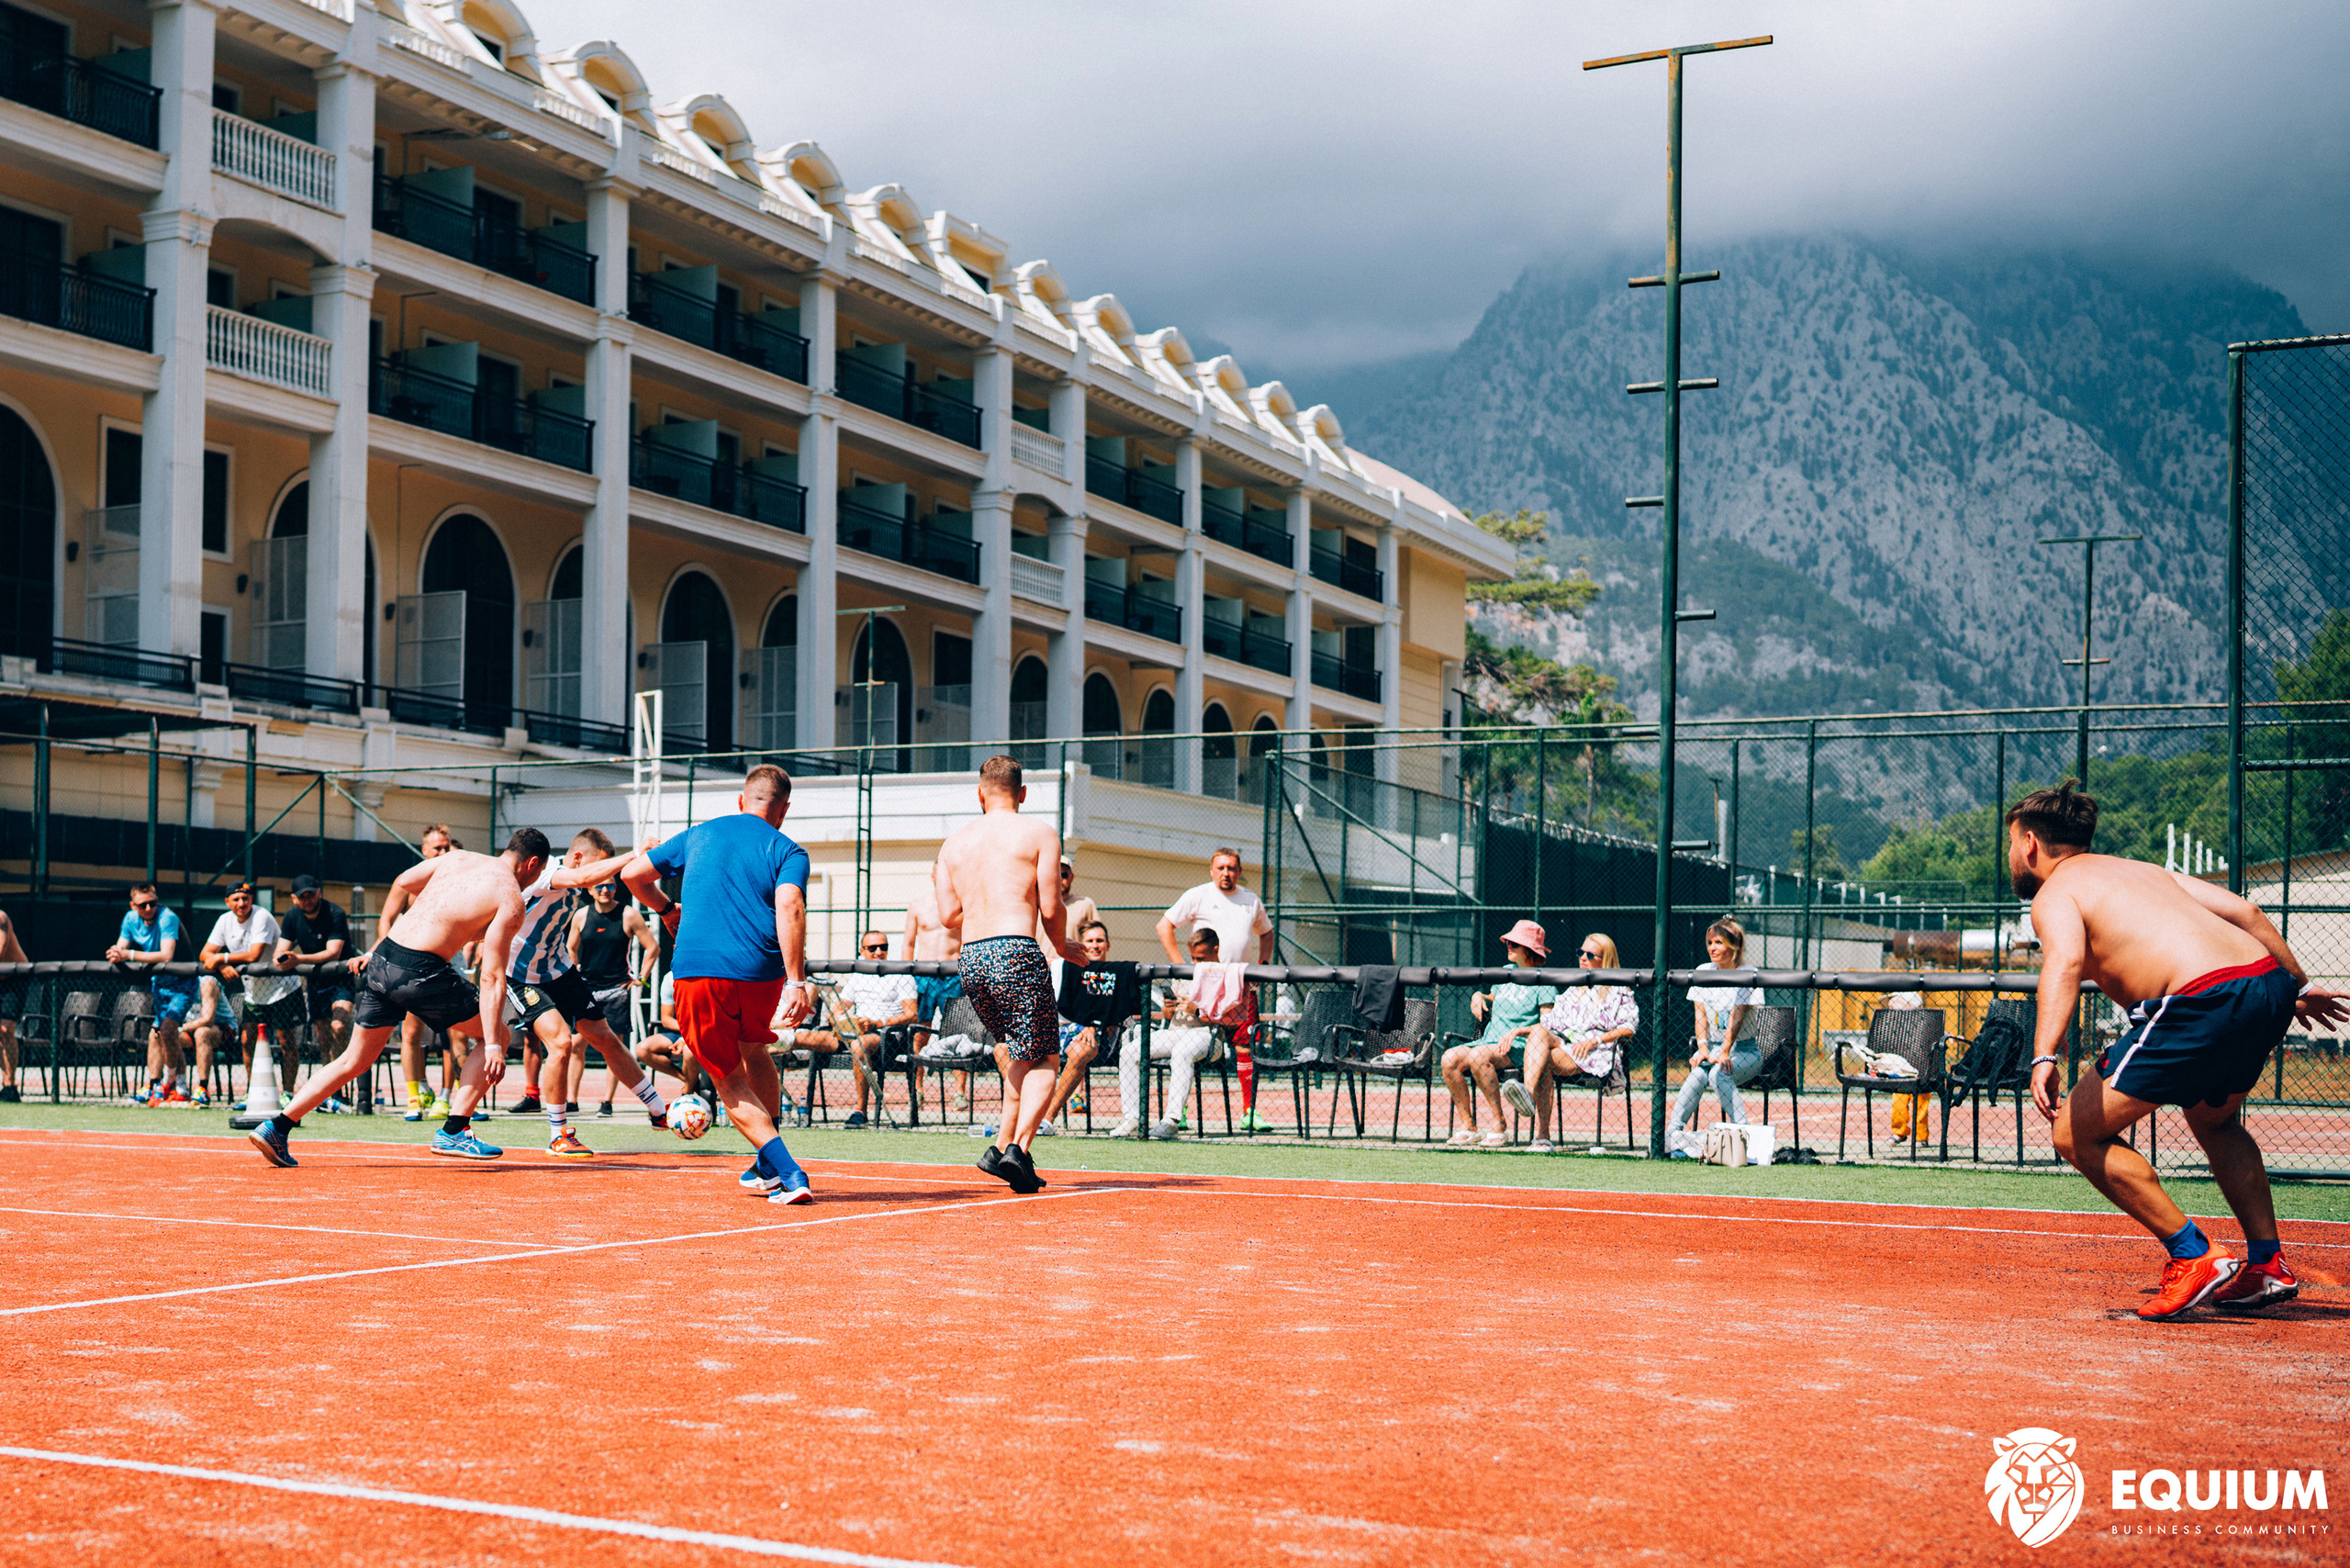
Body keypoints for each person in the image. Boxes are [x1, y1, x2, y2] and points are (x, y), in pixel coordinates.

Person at [2014, 782, 2348, 1319]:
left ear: (2030, 843)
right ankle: (2267, 1265)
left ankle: (2193, 1255)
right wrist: (2299, 987)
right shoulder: (2143, 870)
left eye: (2012, 843)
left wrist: (2044, 1054)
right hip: (2266, 985)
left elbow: (2066, 963)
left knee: (2074, 1133)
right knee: (2214, 1121)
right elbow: (2249, 912)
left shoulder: (2055, 894)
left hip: (2202, 998)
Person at [244, 828, 636, 1168]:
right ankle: (455, 1129)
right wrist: (496, 1043)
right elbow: (493, 975)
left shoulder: (458, 858)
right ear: (533, 864)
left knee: (353, 1059)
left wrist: (389, 926)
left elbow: (402, 881)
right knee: (495, 1034)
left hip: (384, 957)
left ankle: (276, 1127)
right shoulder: (511, 897)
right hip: (421, 969)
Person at [621, 765, 816, 1204]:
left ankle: (790, 1173)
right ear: (783, 810)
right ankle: (767, 1165)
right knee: (754, 1049)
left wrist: (668, 908)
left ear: (742, 801)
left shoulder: (699, 834)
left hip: (700, 970)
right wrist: (797, 981)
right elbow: (790, 905)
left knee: (727, 1080)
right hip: (762, 971)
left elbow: (632, 876)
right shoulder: (790, 850)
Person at [934, 754, 1081, 1194]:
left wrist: (986, 900)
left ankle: (999, 1149)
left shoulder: (953, 844)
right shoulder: (1038, 832)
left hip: (973, 957)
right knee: (1048, 1059)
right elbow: (1052, 907)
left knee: (1020, 1052)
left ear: (980, 793)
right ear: (1022, 793)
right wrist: (1060, 946)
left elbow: (947, 915)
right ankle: (1020, 1148)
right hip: (1015, 949)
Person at [509, 827, 672, 1158]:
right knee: (561, 1043)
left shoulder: (581, 879)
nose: (602, 881)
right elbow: (586, 878)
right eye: (599, 869)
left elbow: (617, 879)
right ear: (579, 859)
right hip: (522, 975)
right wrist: (636, 854)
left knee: (607, 1039)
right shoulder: (549, 874)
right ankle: (558, 1135)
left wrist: (665, 904)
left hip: (559, 969)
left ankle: (658, 1111)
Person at [1157, 848, 1274, 1129]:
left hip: (1240, 988)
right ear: (1211, 870)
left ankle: (1249, 1111)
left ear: (1239, 871)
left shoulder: (1250, 900)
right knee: (1190, 1043)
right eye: (1221, 867)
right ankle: (1179, 1110)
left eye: (1232, 868)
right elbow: (1165, 926)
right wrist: (1183, 969)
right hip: (1204, 989)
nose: (1226, 873)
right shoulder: (1198, 895)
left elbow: (1267, 933)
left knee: (1246, 1046)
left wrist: (1263, 964)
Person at [1504, 931, 1639, 1152]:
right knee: (1539, 1031)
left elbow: (1629, 1027)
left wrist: (1595, 1040)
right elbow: (1550, 1022)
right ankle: (1529, 1097)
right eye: (1580, 952)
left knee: (1544, 1060)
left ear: (1605, 960)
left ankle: (1543, 1134)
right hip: (1567, 1047)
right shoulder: (1574, 988)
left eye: (1589, 954)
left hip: (1599, 1052)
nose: (1582, 958)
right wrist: (1520, 1030)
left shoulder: (1619, 989)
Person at [1113, 927, 1249, 1138]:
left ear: (1216, 950)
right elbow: (1168, 1016)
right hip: (1176, 1032)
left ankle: (1171, 1121)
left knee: (1182, 1051)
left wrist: (1196, 1010)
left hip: (1208, 1035)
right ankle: (1132, 1118)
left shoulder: (1227, 975)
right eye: (1193, 958)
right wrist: (1169, 1006)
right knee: (1129, 1052)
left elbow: (1232, 1020)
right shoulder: (1185, 971)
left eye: (1201, 958)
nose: (1195, 964)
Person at [1439, 920, 1559, 1148]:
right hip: (1489, 1042)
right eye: (1509, 941)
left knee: (1478, 1056)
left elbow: (1547, 1025)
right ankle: (1468, 1125)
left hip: (1520, 1048)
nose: (1508, 945)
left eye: (1515, 943)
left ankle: (1498, 1125)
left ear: (1529, 950)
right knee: (1448, 1060)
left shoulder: (1544, 981)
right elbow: (1492, 998)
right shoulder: (1506, 973)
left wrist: (1517, 1033)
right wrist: (1478, 996)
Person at [203, 881, 300, 1113]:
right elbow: (205, 953)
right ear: (227, 902)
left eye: (245, 898)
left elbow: (255, 955)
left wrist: (222, 959)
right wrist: (221, 965)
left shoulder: (262, 916)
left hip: (283, 988)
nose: (241, 903)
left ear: (251, 899)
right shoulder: (224, 921)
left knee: (286, 1040)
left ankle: (287, 1094)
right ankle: (252, 1092)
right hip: (254, 991)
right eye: (236, 899)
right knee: (247, 1040)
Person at [1669, 918, 1761, 1155]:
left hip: (1746, 1051)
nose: (1712, 947)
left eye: (1718, 942)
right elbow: (1700, 1014)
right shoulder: (1702, 971)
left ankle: (1745, 1137)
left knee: (1720, 1073)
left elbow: (1737, 1018)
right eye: (1709, 942)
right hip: (1714, 1047)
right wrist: (1703, 1048)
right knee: (1698, 1074)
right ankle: (1671, 1135)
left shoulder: (1749, 973)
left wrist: (1725, 1052)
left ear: (1735, 945)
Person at [570, 875, 660, 1115]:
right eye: (599, 886)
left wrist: (640, 978)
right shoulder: (581, 915)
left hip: (616, 990)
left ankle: (606, 1101)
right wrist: (574, 974)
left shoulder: (629, 914)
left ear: (615, 889)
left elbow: (653, 948)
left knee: (614, 1046)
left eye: (610, 886)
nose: (605, 890)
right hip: (586, 988)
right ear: (590, 889)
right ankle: (571, 1100)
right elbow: (570, 947)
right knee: (575, 1044)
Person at [106, 883, 195, 1107]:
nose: (148, 908)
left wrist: (129, 954)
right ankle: (170, 1086)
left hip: (182, 983)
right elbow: (120, 949)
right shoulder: (129, 919)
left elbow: (166, 955)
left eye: (152, 903)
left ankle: (168, 1080)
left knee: (166, 1030)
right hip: (159, 984)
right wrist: (117, 953)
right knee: (159, 1035)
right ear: (133, 906)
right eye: (142, 905)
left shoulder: (168, 918)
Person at [1043, 921, 1137, 1128]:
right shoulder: (1064, 970)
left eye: (1100, 941)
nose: (1095, 945)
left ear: (1108, 945)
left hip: (1099, 1039)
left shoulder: (1117, 974)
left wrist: (1093, 1026)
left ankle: (1047, 1118)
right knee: (1004, 1049)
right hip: (1058, 1031)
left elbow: (1117, 1012)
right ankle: (1019, 1117)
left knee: (1080, 1050)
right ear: (1081, 945)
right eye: (1090, 941)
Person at [399, 824, 462, 1119]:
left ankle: (448, 1097)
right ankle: (417, 1095)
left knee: (455, 1035)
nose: (443, 852)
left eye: (446, 846)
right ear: (424, 850)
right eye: (437, 848)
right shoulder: (408, 882)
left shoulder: (459, 879)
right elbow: (387, 920)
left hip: (449, 965)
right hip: (415, 966)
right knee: (411, 1032)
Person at [274, 875, 353, 1102]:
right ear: (294, 899)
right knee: (324, 1037)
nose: (307, 900)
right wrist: (281, 959)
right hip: (316, 982)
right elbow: (280, 952)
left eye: (311, 894)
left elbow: (333, 953)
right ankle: (331, 1090)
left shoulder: (335, 913)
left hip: (340, 979)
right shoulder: (291, 916)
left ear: (320, 893)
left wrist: (298, 959)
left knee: (339, 1026)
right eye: (302, 896)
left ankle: (339, 1081)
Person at [828, 931, 919, 1128]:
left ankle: (860, 1110)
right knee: (805, 1038)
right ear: (862, 951)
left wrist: (877, 1023)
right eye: (872, 948)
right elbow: (839, 1007)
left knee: (859, 1046)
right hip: (855, 1032)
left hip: (888, 1036)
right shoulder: (858, 976)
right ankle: (778, 1107)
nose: (879, 952)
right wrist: (836, 1019)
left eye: (883, 947)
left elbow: (912, 1015)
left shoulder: (900, 974)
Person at [903, 878, 968, 1108]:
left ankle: (959, 1092)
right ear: (933, 876)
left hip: (954, 974)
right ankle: (917, 1089)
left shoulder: (964, 905)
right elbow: (909, 943)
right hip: (924, 975)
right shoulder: (919, 905)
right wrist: (905, 977)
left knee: (957, 1034)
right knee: (920, 1033)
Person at [0, 904, 28, 1102]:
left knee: (5, 1029)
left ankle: (9, 1086)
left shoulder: (1, 918)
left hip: (13, 979)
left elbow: (0, 951)